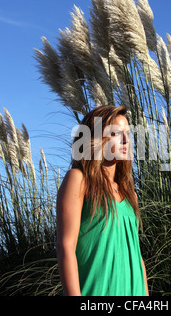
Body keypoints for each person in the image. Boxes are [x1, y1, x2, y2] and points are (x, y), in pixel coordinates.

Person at [56, 105, 149, 296]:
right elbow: (65, 247)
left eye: (128, 133)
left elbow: (137, 256)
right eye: (116, 133)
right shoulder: (78, 179)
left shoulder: (129, 193)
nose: (125, 140)